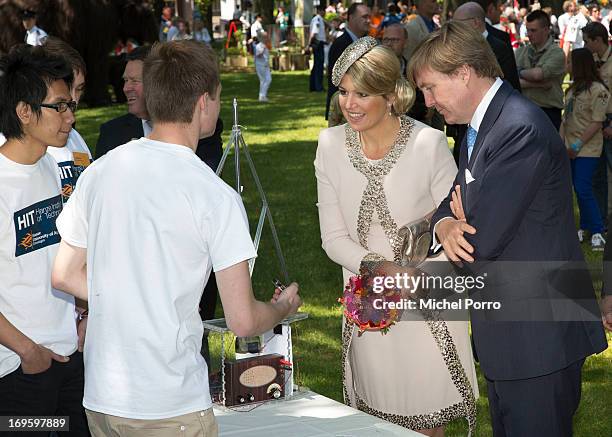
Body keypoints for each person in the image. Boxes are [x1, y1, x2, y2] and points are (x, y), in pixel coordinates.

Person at [51, 40, 302, 436]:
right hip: (169, 404)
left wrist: (128, 294)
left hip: (102, 397)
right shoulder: (215, 195)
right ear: (204, 102)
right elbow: (243, 320)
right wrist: (282, 308)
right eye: (218, 98)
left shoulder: (100, 172)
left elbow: (64, 273)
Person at [410, 21, 608, 436]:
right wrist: (448, 221)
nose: (426, 102)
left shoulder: (517, 126)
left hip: (538, 337)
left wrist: (456, 227)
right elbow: (451, 200)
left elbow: (482, 241)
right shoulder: (482, 125)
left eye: (430, 87)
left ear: (464, 72)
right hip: (515, 336)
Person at [315, 37, 478, 437]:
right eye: (344, 93)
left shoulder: (428, 143)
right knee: (378, 421)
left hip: (426, 299)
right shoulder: (329, 145)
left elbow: (455, 221)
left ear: (391, 96)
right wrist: (380, 269)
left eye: (363, 94)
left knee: (425, 422)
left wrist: (416, 275)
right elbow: (332, 238)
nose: (349, 104)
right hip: (369, 301)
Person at [0, 44, 89, 436]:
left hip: (70, 360)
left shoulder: (54, 169)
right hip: (21, 373)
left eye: (71, 105)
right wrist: (28, 352)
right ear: (24, 112)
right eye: (59, 106)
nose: (70, 117)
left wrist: (85, 316)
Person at [449, 2, 521, 164]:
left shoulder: (499, 47)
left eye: (458, 24)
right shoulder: (455, 49)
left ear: (475, 22)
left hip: (494, 124)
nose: (455, 30)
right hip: (464, 126)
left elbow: (511, 84)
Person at [561, 48, 609, 250]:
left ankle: (598, 230)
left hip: (587, 149)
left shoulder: (599, 90)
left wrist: (577, 145)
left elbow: (597, 122)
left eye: (570, 62)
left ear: (580, 65)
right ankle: (584, 226)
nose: (567, 66)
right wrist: (561, 143)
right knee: (577, 190)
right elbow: (566, 120)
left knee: (583, 188)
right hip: (569, 148)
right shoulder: (572, 91)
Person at [42, 37, 93, 201]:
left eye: (79, 89)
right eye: (67, 89)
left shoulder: (74, 137)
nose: (74, 100)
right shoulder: (16, 144)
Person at [515, 10, 566, 130]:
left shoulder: (556, 53)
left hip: (548, 112)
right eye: (528, 30)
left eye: (533, 30)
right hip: (524, 109)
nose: (529, 34)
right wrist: (539, 85)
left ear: (546, 30)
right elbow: (513, 79)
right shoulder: (521, 52)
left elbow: (538, 75)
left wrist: (519, 72)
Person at [326, 3, 371, 118]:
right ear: (351, 18)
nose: (368, 20)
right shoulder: (341, 44)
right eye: (364, 17)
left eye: (369, 17)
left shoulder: (369, 42)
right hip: (344, 112)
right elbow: (337, 80)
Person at [381, 23, 428, 123]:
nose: (389, 44)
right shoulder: (372, 71)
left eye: (395, 40)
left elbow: (423, 107)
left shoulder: (415, 72)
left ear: (405, 43)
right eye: (386, 40)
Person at [309, 5, 327, 92]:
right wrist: (310, 43)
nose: (325, 12)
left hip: (318, 43)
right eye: (324, 10)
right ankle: (318, 87)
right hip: (318, 44)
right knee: (319, 66)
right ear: (321, 11)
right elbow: (314, 33)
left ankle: (313, 86)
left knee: (316, 65)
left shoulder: (319, 19)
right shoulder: (318, 19)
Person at [253, 36, 271, 102]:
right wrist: (263, 49)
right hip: (260, 65)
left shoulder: (265, 45)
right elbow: (258, 55)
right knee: (263, 80)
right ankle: (262, 97)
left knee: (268, 80)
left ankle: (262, 96)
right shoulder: (259, 46)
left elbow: (266, 56)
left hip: (266, 66)